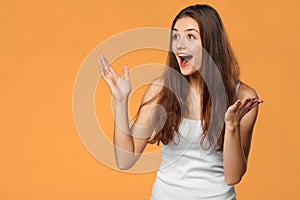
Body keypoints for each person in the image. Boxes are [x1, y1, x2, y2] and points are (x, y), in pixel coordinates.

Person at [97, 4, 263, 200]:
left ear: (211, 43)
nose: (179, 45)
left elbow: (233, 176)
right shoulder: (161, 90)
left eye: (190, 36)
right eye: (175, 36)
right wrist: (120, 101)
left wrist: (232, 125)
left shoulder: (242, 97)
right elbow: (125, 159)